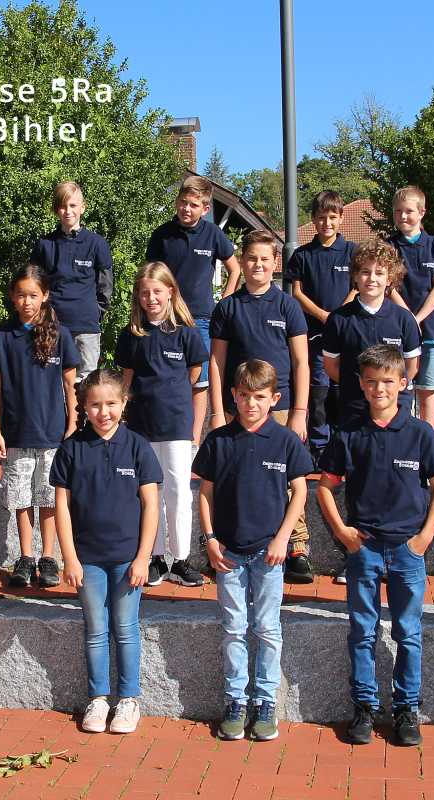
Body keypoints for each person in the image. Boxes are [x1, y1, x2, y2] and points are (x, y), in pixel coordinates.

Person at [317, 345, 434, 747]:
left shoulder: (420, 433)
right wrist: (343, 532)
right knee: (362, 630)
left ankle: (406, 708)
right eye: (372, 381)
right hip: (365, 549)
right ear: (361, 384)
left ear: (404, 383)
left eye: (388, 381)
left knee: (408, 632)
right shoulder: (350, 432)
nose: (380, 389)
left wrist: (424, 538)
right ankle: (364, 706)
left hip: (408, 550)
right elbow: (325, 487)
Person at [194, 359, 314, 742]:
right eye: (244, 395)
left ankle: (265, 702)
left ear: (274, 398)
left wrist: (283, 538)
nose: (251, 404)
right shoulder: (219, 440)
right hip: (228, 553)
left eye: (260, 397)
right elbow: (206, 494)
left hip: (269, 553)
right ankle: (236, 701)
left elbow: (301, 491)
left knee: (267, 627)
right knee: (234, 628)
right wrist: (210, 539)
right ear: (233, 395)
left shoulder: (285, 441)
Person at [53, 369, 161, 734]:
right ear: (84, 406)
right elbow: (62, 506)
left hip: (129, 559)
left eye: (111, 404)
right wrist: (69, 557)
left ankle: (128, 699)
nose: (104, 412)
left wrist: (144, 557)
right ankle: (98, 699)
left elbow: (151, 504)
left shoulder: (138, 447)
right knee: (96, 628)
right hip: (88, 560)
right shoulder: (71, 448)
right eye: (95, 405)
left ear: (124, 403)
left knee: (126, 628)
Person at [208, 230, 313, 584]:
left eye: (265, 259)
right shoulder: (227, 308)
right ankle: (226, 544)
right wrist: (217, 411)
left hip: (279, 406)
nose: (258, 265)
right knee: (233, 477)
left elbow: (301, 362)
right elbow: (216, 363)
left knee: (287, 477)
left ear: (275, 262)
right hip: (238, 406)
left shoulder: (288, 306)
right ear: (242, 260)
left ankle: (296, 547)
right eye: (251, 258)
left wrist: (300, 412)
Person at [0, 264, 80, 589]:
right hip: (16, 434)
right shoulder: (2, 339)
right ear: (13, 297)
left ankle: (48, 557)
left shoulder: (60, 335)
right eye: (21, 295)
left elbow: (70, 386)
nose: (27, 301)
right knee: (21, 498)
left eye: (33, 295)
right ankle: (26, 556)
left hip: (53, 434)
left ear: (45, 296)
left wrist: (72, 424)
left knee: (49, 497)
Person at [114, 262, 208, 588]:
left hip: (177, 426)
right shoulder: (132, 335)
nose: (151, 298)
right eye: (145, 293)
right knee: (149, 492)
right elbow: (126, 382)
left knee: (178, 491)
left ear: (170, 292)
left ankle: (180, 559)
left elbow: (194, 379)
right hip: (141, 427)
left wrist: (194, 429)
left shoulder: (187, 333)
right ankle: (154, 556)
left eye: (157, 291)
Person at [146, 176, 242, 441]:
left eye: (193, 205)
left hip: (201, 318)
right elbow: (149, 275)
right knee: (166, 376)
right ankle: (167, 432)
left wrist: (224, 303)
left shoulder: (213, 234)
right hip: (166, 317)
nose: (186, 209)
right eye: (183, 202)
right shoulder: (162, 235)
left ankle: (194, 440)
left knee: (199, 382)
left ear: (205, 209)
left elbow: (235, 269)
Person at [287, 190, 357, 464]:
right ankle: (319, 448)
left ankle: (342, 447)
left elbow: (357, 288)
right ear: (313, 220)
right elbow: (297, 292)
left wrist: (338, 316)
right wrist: (324, 316)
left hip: (346, 336)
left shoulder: (352, 252)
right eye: (321, 218)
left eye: (332, 217)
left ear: (341, 218)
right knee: (319, 392)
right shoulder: (302, 255)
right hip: (315, 336)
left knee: (343, 390)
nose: (327, 223)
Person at [321, 237, 421, 428]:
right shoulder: (338, 319)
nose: (372, 278)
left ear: (389, 278)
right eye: (365, 272)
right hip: (353, 409)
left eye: (379, 273)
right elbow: (331, 366)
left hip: (395, 409)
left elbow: (412, 367)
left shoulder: (404, 319)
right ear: (355, 276)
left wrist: (387, 391)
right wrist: (362, 386)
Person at [30, 181, 113, 379]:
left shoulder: (97, 244)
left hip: (86, 327)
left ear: (82, 207)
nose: (68, 211)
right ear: (56, 210)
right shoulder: (44, 245)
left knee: (86, 383)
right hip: (52, 326)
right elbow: (34, 284)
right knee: (52, 380)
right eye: (62, 206)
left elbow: (106, 287)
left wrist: (95, 313)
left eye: (73, 205)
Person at [388, 186, 434, 429]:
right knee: (398, 390)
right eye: (398, 211)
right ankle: (400, 438)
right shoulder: (389, 246)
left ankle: (427, 441)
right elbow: (388, 287)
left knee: (427, 391)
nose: (403, 216)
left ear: (422, 212)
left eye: (409, 211)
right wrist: (407, 318)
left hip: (431, 331)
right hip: (397, 330)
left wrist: (418, 318)